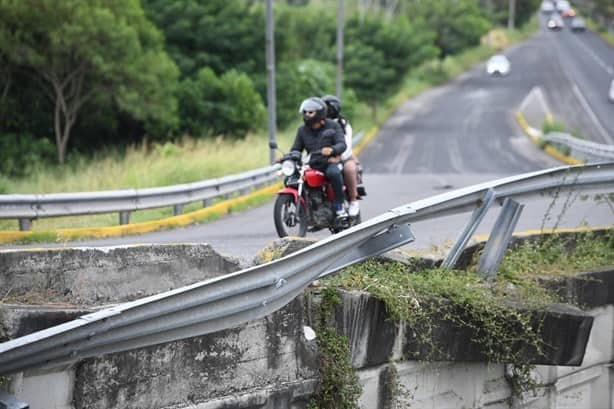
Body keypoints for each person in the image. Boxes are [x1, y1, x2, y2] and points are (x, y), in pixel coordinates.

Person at [290, 97, 348, 222]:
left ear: (320, 112)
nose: (307, 115)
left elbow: (342, 144)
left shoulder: (333, 126)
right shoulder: (302, 130)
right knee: (291, 178)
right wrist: (290, 156)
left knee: (334, 173)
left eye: (310, 112)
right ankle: (307, 208)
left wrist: (332, 150)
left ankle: (340, 207)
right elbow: (296, 148)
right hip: (313, 163)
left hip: (330, 162)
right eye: (305, 112)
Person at [321, 94, 361, 217]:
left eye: (325, 108)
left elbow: (347, 145)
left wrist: (339, 157)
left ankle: (353, 201)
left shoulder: (343, 124)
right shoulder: (320, 124)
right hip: (324, 159)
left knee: (349, 169)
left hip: (344, 157)